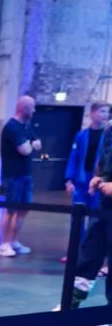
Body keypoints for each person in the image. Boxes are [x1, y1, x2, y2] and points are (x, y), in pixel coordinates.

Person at [71, 124, 112, 312]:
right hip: (104, 207)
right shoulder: (109, 130)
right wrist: (98, 177)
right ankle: (70, 304)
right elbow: (103, 161)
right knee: (89, 253)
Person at [0, 95, 41, 257]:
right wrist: (32, 145)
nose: (34, 110)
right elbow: (25, 150)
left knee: (23, 209)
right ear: (24, 108)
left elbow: (38, 143)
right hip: (12, 176)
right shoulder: (12, 127)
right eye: (32, 107)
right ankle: (4, 244)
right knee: (10, 209)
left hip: (26, 174)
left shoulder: (25, 127)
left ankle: (14, 241)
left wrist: (32, 144)